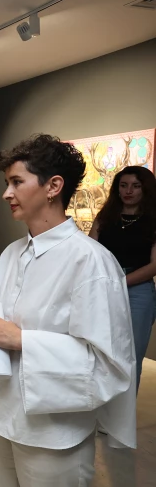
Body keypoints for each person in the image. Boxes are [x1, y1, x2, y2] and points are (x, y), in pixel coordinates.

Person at [0, 134, 136, 487]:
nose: (6, 194)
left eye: (16, 182)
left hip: (50, 434)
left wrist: (22, 340)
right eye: (7, 183)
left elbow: (108, 364)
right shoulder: (10, 254)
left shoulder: (91, 262)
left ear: (53, 187)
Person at [89, 165, 156, 391]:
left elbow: (154, 265)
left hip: (138, 292)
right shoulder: (105, 218)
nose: (128, 191)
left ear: (145, 190)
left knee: (132, 356)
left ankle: (125, 411)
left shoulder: (152, 221)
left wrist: (120, 283)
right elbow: (90, 252)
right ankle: (103, 408)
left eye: (135, 186)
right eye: (124, 185)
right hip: (104, 287)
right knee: (101, 351)